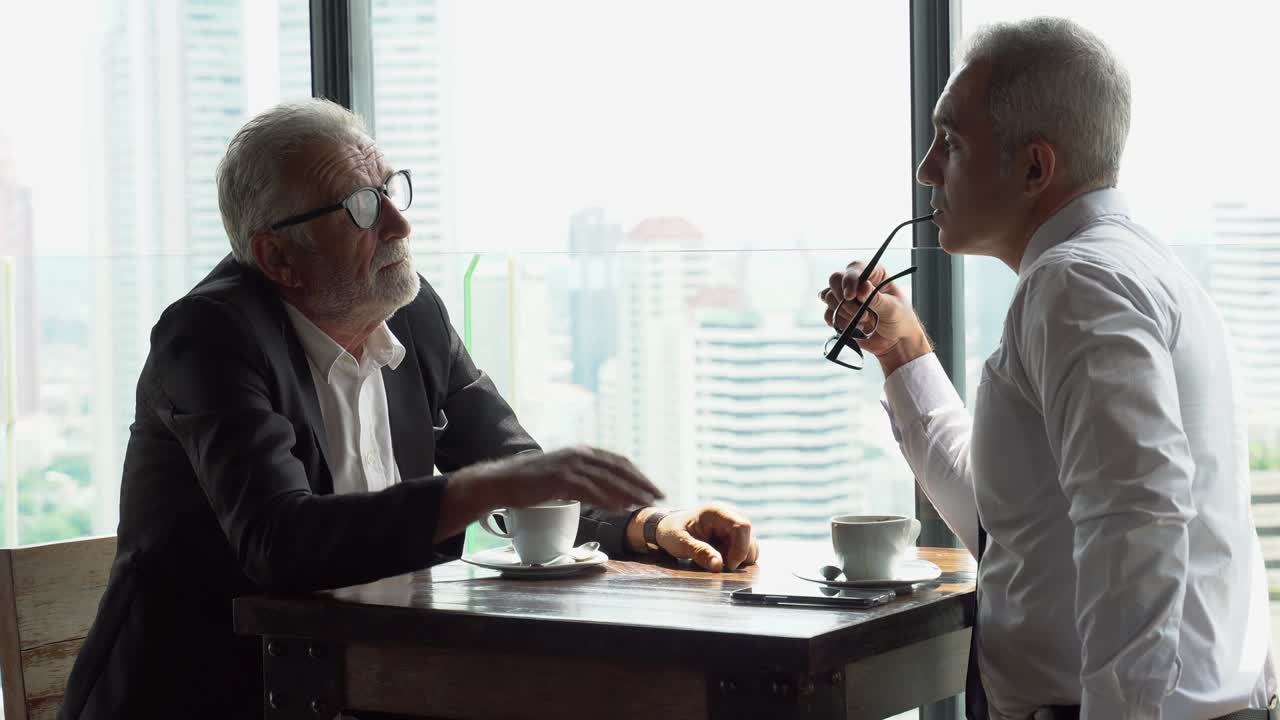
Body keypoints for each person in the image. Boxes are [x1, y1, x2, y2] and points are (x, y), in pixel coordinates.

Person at [60, 98, 759, 720]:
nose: (399, 222)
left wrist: (648, 526)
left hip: (377, 684)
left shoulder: (413, 312)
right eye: (360, 209)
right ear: (278, 257)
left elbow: (513, 465)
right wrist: (478, 491)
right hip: (216, 695)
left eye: (389, 190)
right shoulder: (210, 337)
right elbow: (280, 543)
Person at [821, 17, 1275, 720]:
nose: (926, 170)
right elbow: (1017, 525)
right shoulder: (1131, 270)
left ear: (1035, 168)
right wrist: (901, 352)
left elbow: (1136, 523)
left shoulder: (1076, 284)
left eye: (951, 142)